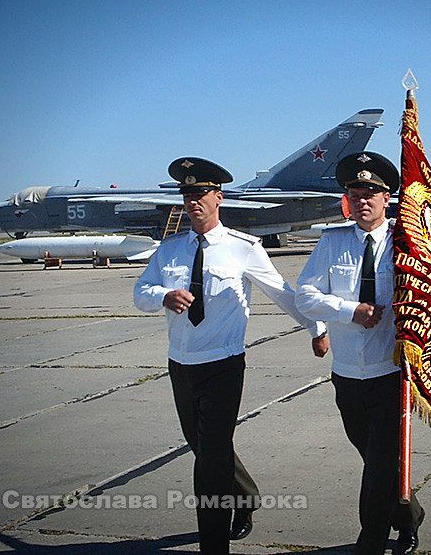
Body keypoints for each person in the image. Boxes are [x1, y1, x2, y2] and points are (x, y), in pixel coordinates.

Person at [133, 157, 327, 553]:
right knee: (205, 447)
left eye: (201, 193)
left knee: (211, 459)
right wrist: (162, 295)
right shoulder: (169, 250)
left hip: (223, 365)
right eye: (187, 195)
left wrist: (316, 327)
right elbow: (140, 292)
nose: (193, 201)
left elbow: (282, 292)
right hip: (181, 366)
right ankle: (245, 496)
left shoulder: (243, 248)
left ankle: (214, 544)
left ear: (218, 198)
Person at [295, 152, 426, 555]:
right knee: (374, 457)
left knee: (381, 460)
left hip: (391, 373)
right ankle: (409, 515)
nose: (363, 200)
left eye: (371, 193)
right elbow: (305, 295)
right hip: (348, 372)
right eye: (355, 193)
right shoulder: (332, 243)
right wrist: (349, 311)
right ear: (347, 200)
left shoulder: (406, 244)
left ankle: (370, 541)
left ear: (388, 198)